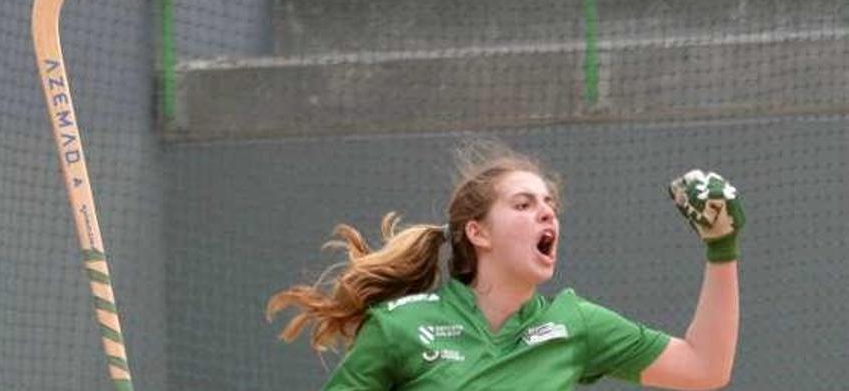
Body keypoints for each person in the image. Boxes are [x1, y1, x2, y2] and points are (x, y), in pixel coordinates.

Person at [267, 142, 744, 390]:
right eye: (523, 204)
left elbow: (705, 368)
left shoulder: (572, 324)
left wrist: (721, 249)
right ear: (478, 233)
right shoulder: (401, 327)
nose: (546, 212)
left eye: (549, 203)